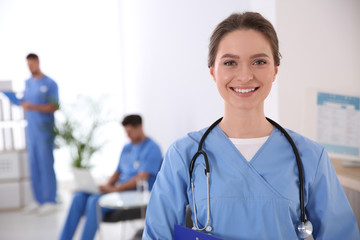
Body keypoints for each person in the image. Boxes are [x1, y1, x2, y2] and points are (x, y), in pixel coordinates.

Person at [143, 12, 360, 239]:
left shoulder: (310, 157)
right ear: (213, 72)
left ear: (275, 70)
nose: (245, 76)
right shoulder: (183, 154)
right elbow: (157, 235)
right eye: (230, 62)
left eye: (259, 62)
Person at [59, 114, 163, 240]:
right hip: (117, 191)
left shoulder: (152, 148)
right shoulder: (127, 148)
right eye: (126, 132)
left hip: (134, 194)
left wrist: (115, 190)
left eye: (130, 132)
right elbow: (117, 172)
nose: (128, 136)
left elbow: (141, 178)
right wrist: (107, 186)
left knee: (94, 201)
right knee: (78, 197)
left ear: (139, 127)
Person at [21, 53, 59, 215]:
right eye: (27, 64)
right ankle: (39, 200)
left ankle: (50, 200)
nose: (30, 67)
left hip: (44, 131)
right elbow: (24, 102)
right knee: (34, 165)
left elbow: (54, 106)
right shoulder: (28, 83)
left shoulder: (50, 83)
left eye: (32, 64)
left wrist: (32, 107)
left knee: (46, 164)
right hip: (31, 132)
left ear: (38, 62)